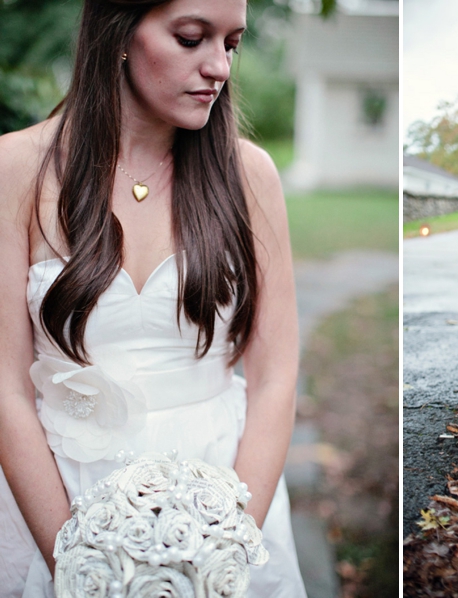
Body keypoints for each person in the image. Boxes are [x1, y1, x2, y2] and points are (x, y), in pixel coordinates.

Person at [0, 0, 306, 595]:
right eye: (191, 38)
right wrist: (79, 563)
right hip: (54, 484)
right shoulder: (14, 169)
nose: (219, 65)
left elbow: (276, 377)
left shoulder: (250, 175)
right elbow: (3, 385)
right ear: (119, 30)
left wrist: (227, 543)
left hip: (223, 481)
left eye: (232, 44)